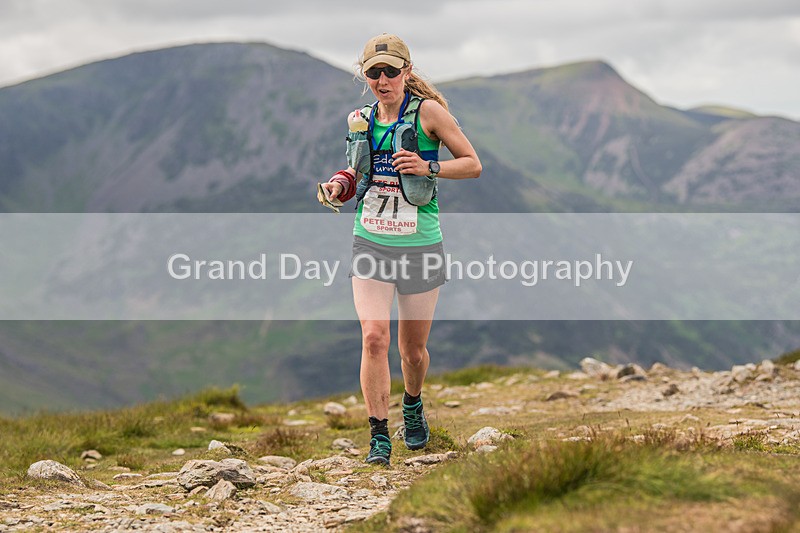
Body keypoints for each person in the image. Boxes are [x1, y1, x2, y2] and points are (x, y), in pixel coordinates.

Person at [320, 33, 481, 466]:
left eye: (392, 70)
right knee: (374, 337)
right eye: (374, 72)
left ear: (407, 72)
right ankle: (378, 437)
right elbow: (357, 170)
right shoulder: (360, 119)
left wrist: (430, 166)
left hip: (420, 242)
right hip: (369, 237)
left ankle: (412, 403)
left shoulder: (428, 113)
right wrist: (339, 186)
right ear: (365, 76)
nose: (383, 78)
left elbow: (473, 164)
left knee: (412, 351)